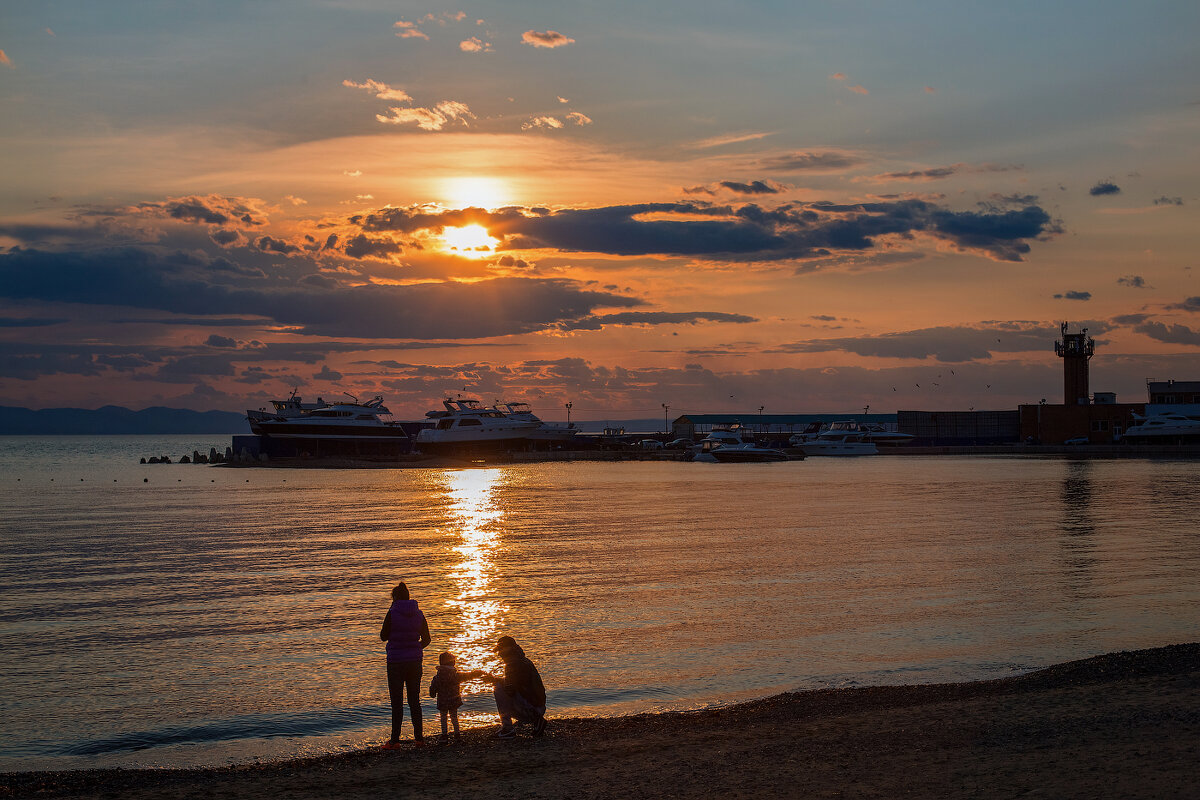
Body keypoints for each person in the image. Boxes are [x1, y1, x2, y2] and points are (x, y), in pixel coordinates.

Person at [379, 582, 431, 748]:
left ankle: (395, 741)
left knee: (397, 702)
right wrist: (414, 648)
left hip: (395, 662)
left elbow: (383, 636)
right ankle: (419, 739)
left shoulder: (392, 613)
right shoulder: (419, 614)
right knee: (414, 700)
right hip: (415, 662)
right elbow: (427, 639)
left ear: (394, 598)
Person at [489, 635, 547, 738]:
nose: (499, 654)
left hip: (532, 710)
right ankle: (537, 721)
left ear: (508, 649)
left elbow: (510, 690)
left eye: (501, 650)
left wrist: (495, 681)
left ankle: (508, 728)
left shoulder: (513, 664)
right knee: (500, 685)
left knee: (498, 688)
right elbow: (515, 684)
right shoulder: (522, 660)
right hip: (538, 706)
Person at [428, 651, 486, 742]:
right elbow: (468, 676)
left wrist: (432, 693)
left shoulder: (438, 677)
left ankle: (444, 735)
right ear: (452, 663)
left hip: (442, 701)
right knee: (454, 716)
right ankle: (457, 733)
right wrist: (477, 673)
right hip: (453, 700)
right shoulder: (456, 675)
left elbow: (433, 688)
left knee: (443, 717)